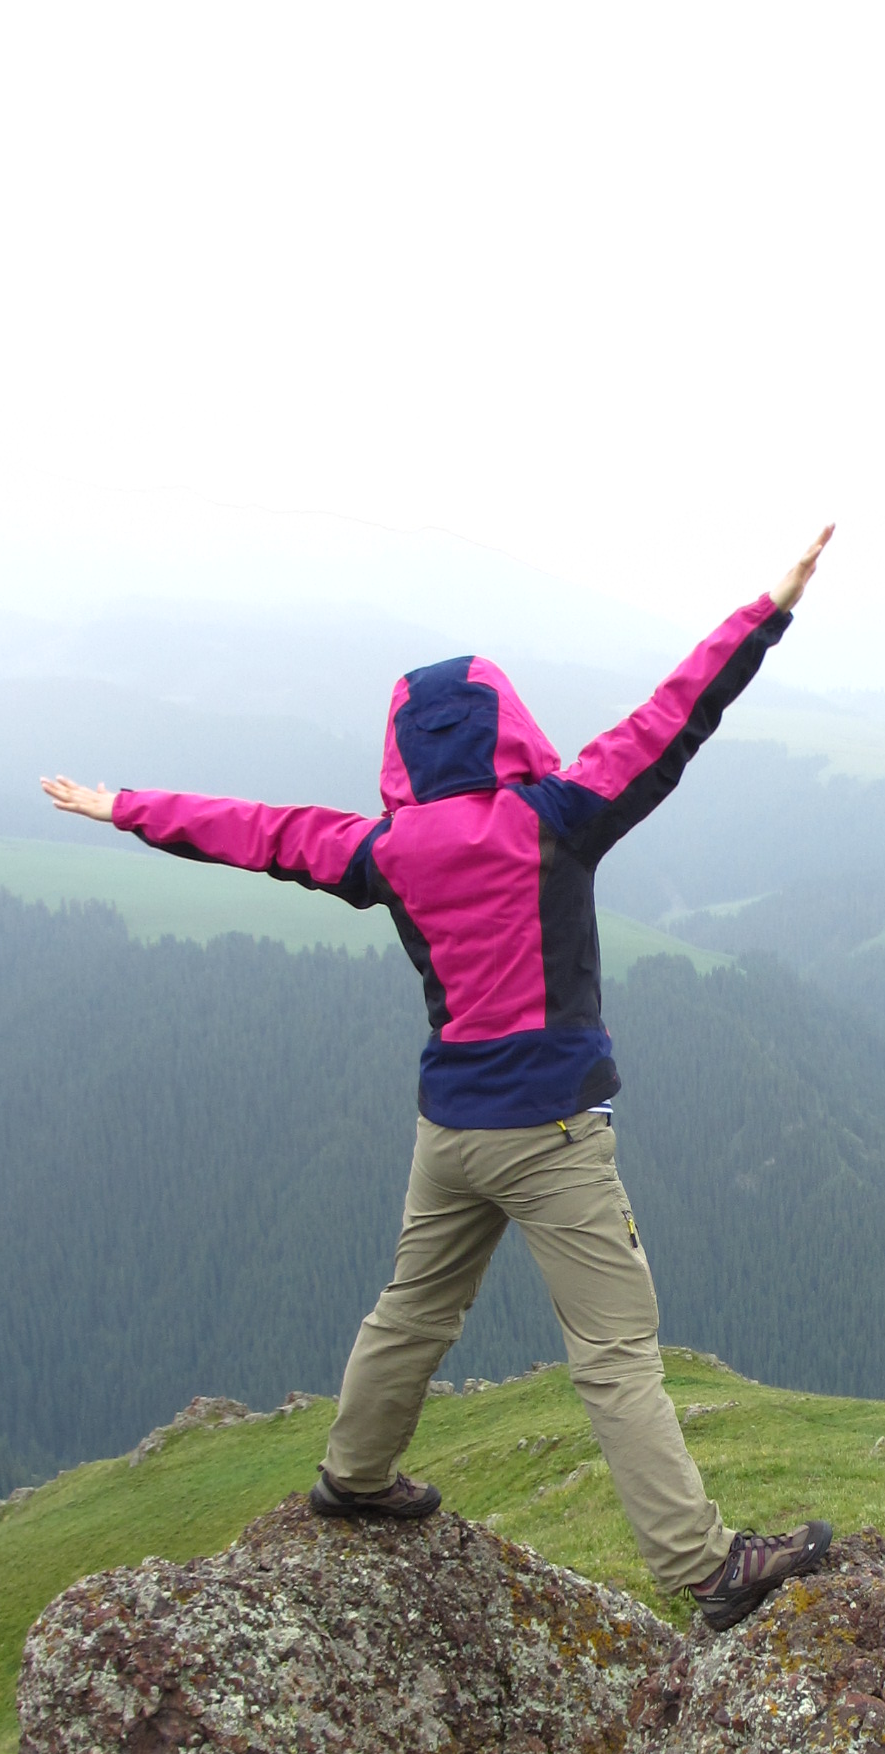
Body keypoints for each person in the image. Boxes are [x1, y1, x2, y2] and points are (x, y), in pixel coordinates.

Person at [41, 527, 836, 1631]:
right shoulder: (558, 817)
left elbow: (262, 832)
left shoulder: (386, 849)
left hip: (448, 1130)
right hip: (553, 1133)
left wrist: (122, 804)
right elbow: (671, 716)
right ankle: (709, 1570)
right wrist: (767, 609)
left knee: (411, 1309)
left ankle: (354, 1477)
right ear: (508, 725)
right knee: (615, 1355)